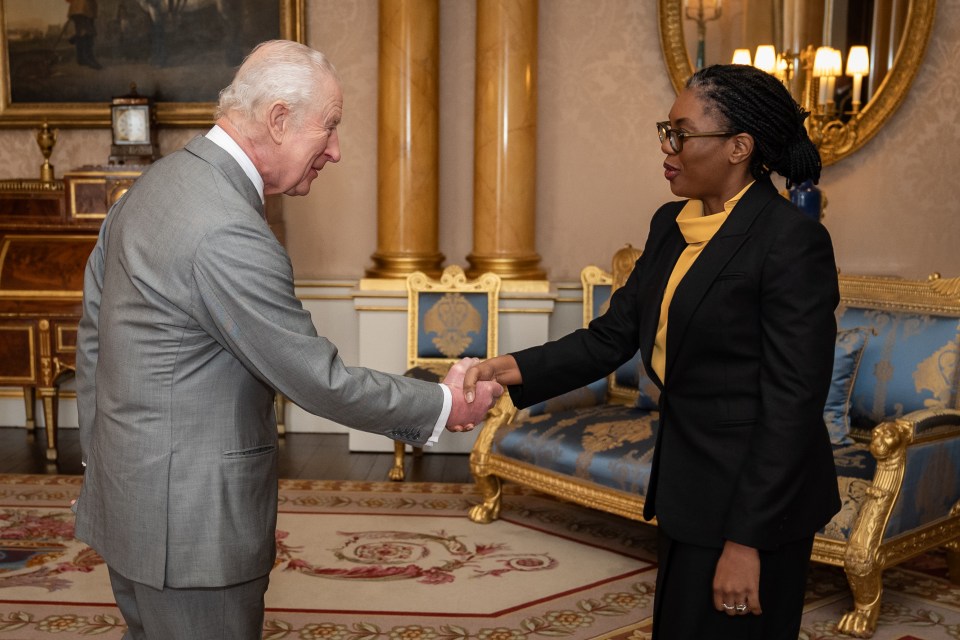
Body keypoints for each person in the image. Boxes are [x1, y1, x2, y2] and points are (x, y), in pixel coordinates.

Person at [73, 40, 502, 640]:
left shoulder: (153, 186)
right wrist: (443, 404)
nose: (336, 149)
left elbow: (94, 340)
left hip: (134, 504)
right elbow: (313, 378)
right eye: (328, 127)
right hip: (193, 530)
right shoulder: (226, 228)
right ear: (278, 119)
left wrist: (105, 464)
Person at [463, 63, 841, 640]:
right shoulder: (672, 223)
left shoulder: (791, 241)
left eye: (681, 134)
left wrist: (746, 542)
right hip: (691, 480)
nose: (666, 148)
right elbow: (612, 335)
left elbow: (792, 404)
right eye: (665, 131)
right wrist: (510, 368)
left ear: (740, 146)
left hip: (756, 495)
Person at [65, 0, 102, 69]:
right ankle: (89, 58)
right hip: (83, 7)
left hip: (81, 7)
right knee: (86, 31)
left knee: (81, 31)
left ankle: (81, 58)